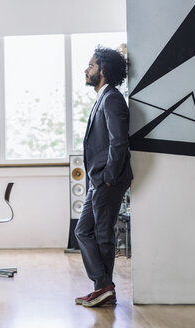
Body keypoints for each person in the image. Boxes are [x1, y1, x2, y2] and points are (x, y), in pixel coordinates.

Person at [74, 46, 133, 307]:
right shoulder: (103, 97)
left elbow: (118, 142)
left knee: (102, 235)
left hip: (107, 180)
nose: (86, 70)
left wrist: (108, 176)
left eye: (91, 65)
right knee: (83, 230)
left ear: (104, 70)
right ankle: (103, 285)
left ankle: (103, 288)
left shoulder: (111, 98)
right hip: (97, 181)